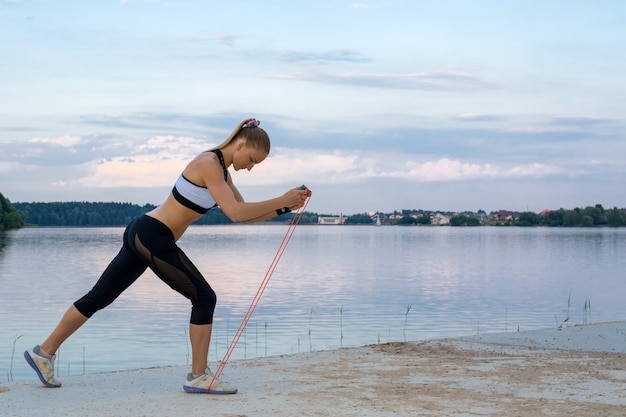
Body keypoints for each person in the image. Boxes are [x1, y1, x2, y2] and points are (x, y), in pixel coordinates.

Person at [24, 118, 310, 394]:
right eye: (252, 160)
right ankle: (199, 376)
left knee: (100, 296)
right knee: (204, 297)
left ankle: (44, 353)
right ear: (241, 144)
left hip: (145, 232)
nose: (250, 168)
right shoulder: (208, 164)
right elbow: (235, 213)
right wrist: (282, 199)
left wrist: (286, 208)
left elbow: (244, 215)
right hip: (153, 234)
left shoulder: (223, 174)